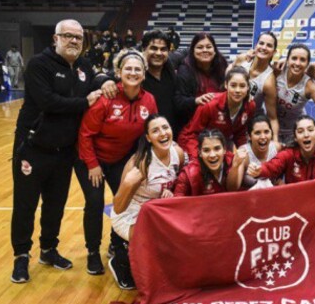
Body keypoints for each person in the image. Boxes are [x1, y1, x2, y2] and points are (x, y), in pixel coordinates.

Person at [10, 19, 104, 284]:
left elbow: (97, 79)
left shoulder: (84, 66)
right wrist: (84, 102)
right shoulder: (39, 65)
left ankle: (48, 250)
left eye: (78, 37)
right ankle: (21, 256)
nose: (74, 41)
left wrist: (105, 81)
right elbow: (48, 101)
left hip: (64, 152)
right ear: (56, 39)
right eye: (68, 36)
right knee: (25, 205)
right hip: (32, 148)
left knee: (55, 205)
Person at [77, 49, 157, 279]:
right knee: (94, 202)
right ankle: (93, 251)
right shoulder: (106, 97)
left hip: (120, 160)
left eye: (137, 69)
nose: (133, 73)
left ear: (144, 74)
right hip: (90, 159)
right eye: (128, 69)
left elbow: (149, 133)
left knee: (126, 200)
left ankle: (116, 243)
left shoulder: (149, 100)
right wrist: (92, 165)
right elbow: (85, 134)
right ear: (119, 72)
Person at [109, 114, 185, 289]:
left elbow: (180, 180)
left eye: (165, 128)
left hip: (157, 210)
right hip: (131, 213)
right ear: (148, 138)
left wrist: (171, 191)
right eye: (155, 130)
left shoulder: (178, 153)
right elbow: (119, 207)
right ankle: (120, 261)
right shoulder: (140, 163)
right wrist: (128, 184)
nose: (162, 133)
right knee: (153, 238)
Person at [100, 30, 186, 137]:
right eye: (153, 48)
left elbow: (188, 53)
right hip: (142, 138)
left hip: (169, 135)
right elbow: (102, 76)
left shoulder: (171, 64)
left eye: (163, 49)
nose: (158, 53)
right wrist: (106, 81)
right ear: (143, 49)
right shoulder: (135, 71)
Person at [178, 66, 256, 158]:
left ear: (248, 87)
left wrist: (243, 153)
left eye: (242, 86)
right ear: (226, 85)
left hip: (218, 147)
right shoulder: (210, 104)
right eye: (233, 85)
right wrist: (198, 158)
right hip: (192, 145)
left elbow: (240, 133)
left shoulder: (250, 106)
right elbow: (191, 135)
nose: (237, 90)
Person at [247, 115, 315, 184]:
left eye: (310, 130)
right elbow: (271, 167)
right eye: (300, 131)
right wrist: (259, 170)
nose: (306, 135)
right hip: (294, 204)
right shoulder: (288, 154)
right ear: (295, 138)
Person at [275, 44, 315, 144]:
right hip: (272, 129)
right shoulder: (278, 70)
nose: (297, 63)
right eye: (294, 58)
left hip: (295, 134)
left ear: (307, 64)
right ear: (287, 60)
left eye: (302, 60)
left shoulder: (309, 86)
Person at [228, 32, 280, 140]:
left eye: (269, 45)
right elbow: (226, 77)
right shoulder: (242, 59)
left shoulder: (269, 82)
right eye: (261, 43)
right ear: (256, 46)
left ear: (274, 52)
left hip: (248, 123)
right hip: (228, 114)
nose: (264, 47)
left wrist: (275, 141)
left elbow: (272, 117)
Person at [175, 32, 228, 123]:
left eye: (208, 47)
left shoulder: (223, 66)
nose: (205, 50)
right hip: (193, 122)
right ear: (192, 51)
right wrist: (196, 100)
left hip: (218, 121)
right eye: (200, 47)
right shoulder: (185, 70)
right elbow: (178, 102)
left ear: (214, 50)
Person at [227, 115, 280, 191]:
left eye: (266, 132)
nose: (263, 137)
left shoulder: (277, 148)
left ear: (271, 133)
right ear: (249, 136)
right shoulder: (244, 153)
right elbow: (232, 188)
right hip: (250, 198)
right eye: (257, 133)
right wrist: (235, 166)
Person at [174, 129, 233, 196]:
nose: (212, 155)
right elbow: (177, 201)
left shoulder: (234, 164)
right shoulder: (188, 175)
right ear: (199, 153)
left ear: (224, 150)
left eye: (217, 149)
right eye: (206, 150)